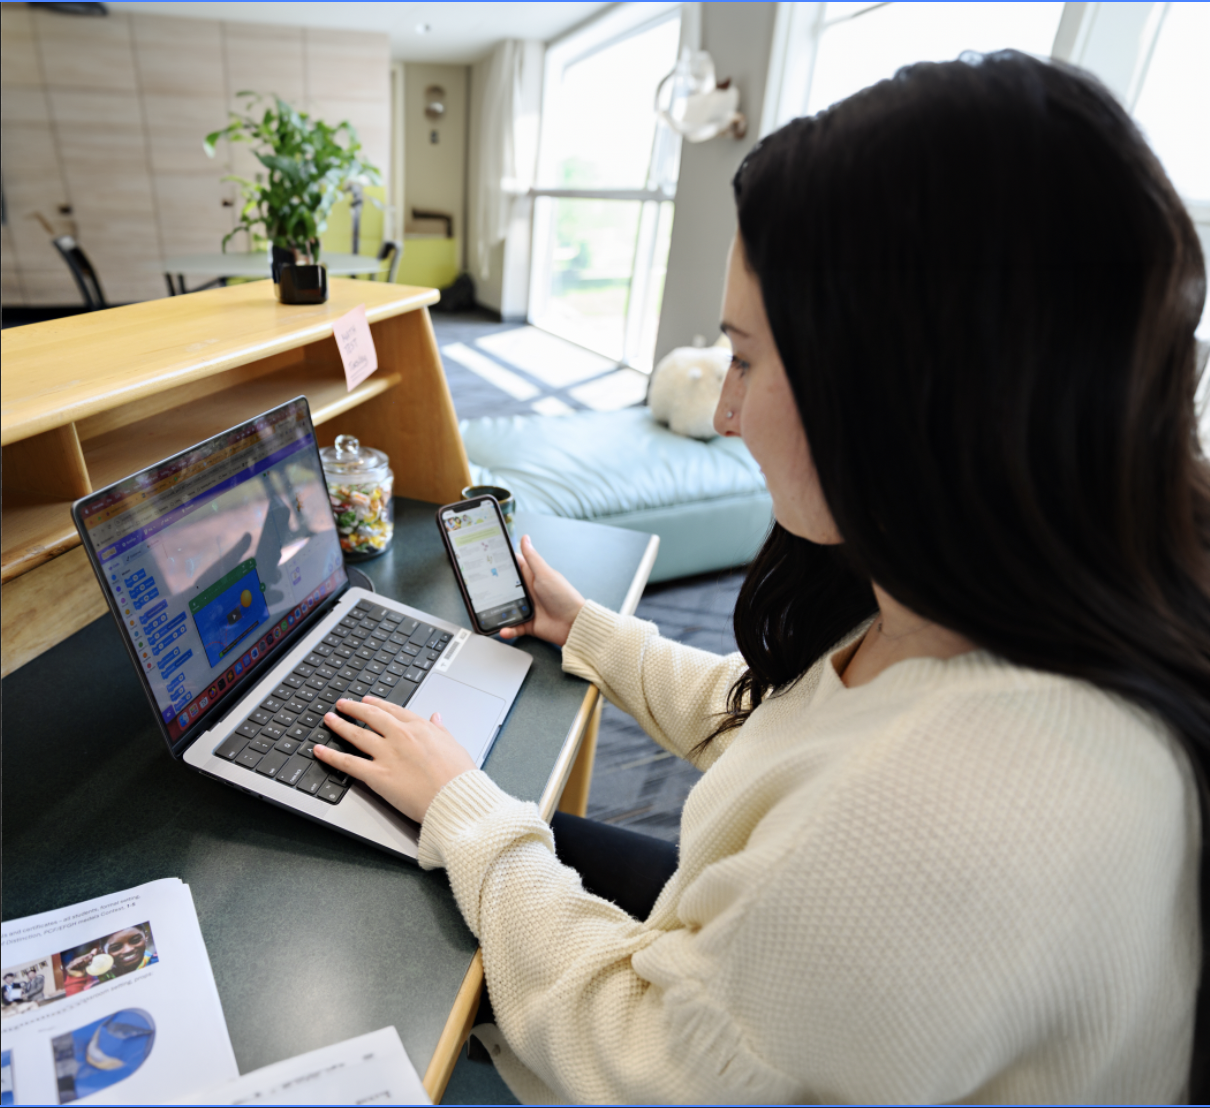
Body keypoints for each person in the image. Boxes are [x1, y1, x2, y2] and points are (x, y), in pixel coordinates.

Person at [314, 50, 1209, 1102]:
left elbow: (652, 1060)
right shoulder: (997, 596)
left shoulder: (942, 826)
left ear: (895, 389)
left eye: (742, 356)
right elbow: (795, 728)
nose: (724, 412)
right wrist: (589, 629)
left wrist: (466, 808)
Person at [63, 927, 156, 996]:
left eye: (135, 940)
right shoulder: (94, 987)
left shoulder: (159, 961)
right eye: (116, 947)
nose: (128, 950)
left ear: (145, 938)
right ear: (103, 952)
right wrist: (75, 977)